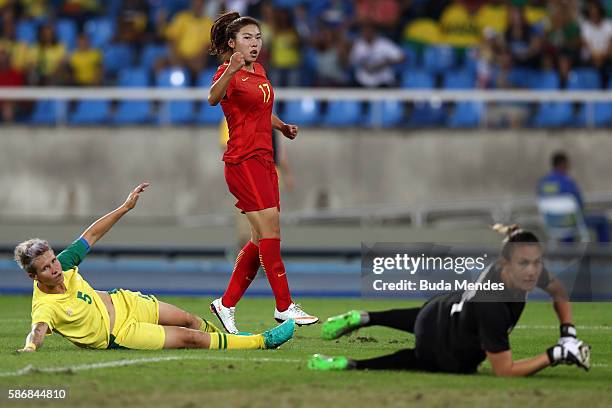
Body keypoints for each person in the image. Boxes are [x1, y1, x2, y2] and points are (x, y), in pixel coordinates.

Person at [14, 182, 294, 353]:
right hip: (120, 333)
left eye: (52, 260)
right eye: (46, 267)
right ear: (32, 276)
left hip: (126, 302)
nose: (55, 268)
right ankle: (260, 341)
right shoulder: (44, 306)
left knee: (188, 319)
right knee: (189, 338)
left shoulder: (63, 263)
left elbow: (92, 234)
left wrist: (125, 207)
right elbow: (37, 331)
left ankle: (232, 338)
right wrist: (29, 347)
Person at [309, 225, 591, 376]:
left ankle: (367, 318)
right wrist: (555, 354)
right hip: (447, 349)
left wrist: (568, 332)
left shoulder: (519, 267)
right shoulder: (493, 306)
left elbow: (559, 291)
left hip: (439, 309)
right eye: (525, 264)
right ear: (505, 264)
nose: (533, 271)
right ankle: (348, 364)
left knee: (422, 317)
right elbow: (505, 371)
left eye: (537, 263)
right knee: (416, 360)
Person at [207, 11, 318, 334]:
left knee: (260, 239)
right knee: (271, 233)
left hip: (265, 161)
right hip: (243, 162)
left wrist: (281, 126)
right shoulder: (229, 72)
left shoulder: (259, 71)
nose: (255, 44)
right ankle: (284, 306)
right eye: (247, 38)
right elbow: (213, 98)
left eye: (258, 38)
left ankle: (225, 304)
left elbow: (261, 109)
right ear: (232, 43)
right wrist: (229, 70)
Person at [537, 151, 610, 243]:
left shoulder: (543, 183)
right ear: (563, 164)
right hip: (571, 221)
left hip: (551, 223)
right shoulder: (568, 182)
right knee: (602, 219)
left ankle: (568, 253)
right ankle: (604, 254)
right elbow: (579, 204)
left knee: (566, 221)